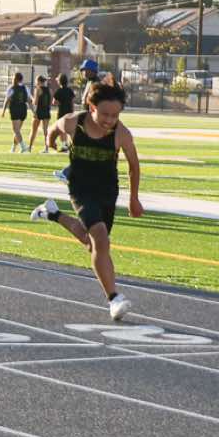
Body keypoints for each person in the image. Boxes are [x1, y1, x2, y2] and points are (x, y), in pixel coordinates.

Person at [29, 80, 142, 320]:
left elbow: (134, 165)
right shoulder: (74, 122)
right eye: (105, 114)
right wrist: (50, 140)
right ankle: (114, 299)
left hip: (107, 192)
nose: (110, 120)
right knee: (100, 239)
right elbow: (55, 128)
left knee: (93, 244)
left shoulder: (121, 134)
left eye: (115, 115)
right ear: (92, 107)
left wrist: (134, 198)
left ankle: (52, 213)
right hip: (81, 189)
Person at [46, 72, 76, 150]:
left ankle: (64, 144)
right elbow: (72, 101)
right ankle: (72, 144)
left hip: (62, 112)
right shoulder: (70, 90)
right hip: (69, 112)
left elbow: (54, 102)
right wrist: (73, 111)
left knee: (61, 128)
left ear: (60, 81)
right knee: (70, 129)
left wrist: (60, 102)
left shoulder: (59, 91)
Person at [27, 71, 52, 151]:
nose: (35, 83)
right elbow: (50, 102)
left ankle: (29, 147)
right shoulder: (49, 90)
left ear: (39, 81)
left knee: (34, 130)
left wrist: (31, 99)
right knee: (45, 131)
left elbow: (35, 102)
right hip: (46, 111)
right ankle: (46, 148)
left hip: (38, 111)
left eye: (36, 81)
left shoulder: (38, 89)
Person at [7, 72, 31, 154]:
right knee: (17, 131)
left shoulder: (12, 88)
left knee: (16, 130)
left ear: (15, 79)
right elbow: (29, 100)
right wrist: (34, 111)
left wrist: (3, 110)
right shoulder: (25, 88)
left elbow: (7, 99)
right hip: (23, 110)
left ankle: (23, 146)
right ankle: (13, 148)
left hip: (15, 109)